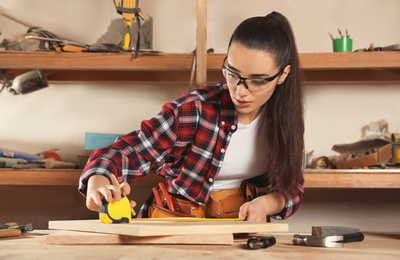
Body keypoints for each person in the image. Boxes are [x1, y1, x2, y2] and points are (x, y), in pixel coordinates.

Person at [79, 11, 304, 222]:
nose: (240, 90)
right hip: (174, 225)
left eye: (257, 80)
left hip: (237, 231)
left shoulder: (285, 120)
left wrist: (264, 205)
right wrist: (99, 182)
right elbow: (126, 152)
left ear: (283, 74)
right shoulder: (193, 111)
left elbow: (291, 188)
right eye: (233, 74)